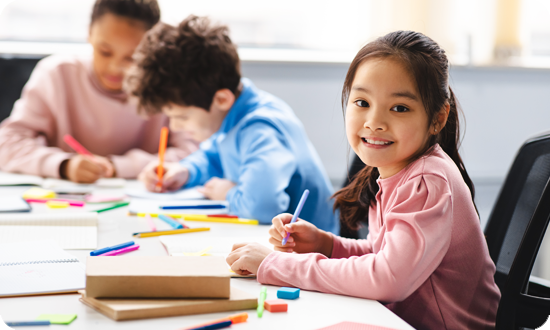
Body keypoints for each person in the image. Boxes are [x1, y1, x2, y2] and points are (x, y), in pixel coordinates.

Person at [226, 31, 501, 329]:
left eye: (399, 108)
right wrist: (326, 244)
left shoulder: (427, 181)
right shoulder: (395, 171)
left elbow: (389, 278)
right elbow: (384, 253)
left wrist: (277, 264)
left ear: (437, 118)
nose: (374, 122)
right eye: (361, 102)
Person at [130, 16, 338, 232]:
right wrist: (186, 171)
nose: (175, 127)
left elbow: (263, 206)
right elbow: (214, 157)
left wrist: (227, 193)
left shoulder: (260, 128)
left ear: (221, 99)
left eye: (182, 117)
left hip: (311, 252)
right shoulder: (232, 113)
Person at [0, 0, 197, 183]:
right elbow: (7, 144)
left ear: (151, 48)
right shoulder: (56, 74)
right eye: (105, 51)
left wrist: (120, 167)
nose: (115, 68)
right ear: (89, 33)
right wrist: (63, 165)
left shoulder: (167, 85)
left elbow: (195, 154)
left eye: (132, 57)